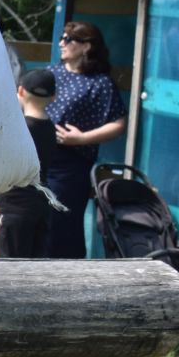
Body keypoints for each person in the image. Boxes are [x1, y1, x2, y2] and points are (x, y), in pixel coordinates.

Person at [46, 20, 127, 257]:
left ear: (86, 47)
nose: (62, 43)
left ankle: (66, 278)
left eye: (68, 39)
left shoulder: (100, 83)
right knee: (39, 221)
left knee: (63, 224)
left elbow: (118, 123)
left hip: (70, 166)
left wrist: (82, 139)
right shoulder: (52, 73)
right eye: (62, 38)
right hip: (41, 159)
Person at [0, 66, 60, 259]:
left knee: (10, 267)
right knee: (35, 262)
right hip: (40, 205)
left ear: (20, 91)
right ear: (53, 97)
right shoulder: (50, 128)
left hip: (14, 205)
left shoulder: (19, 129)